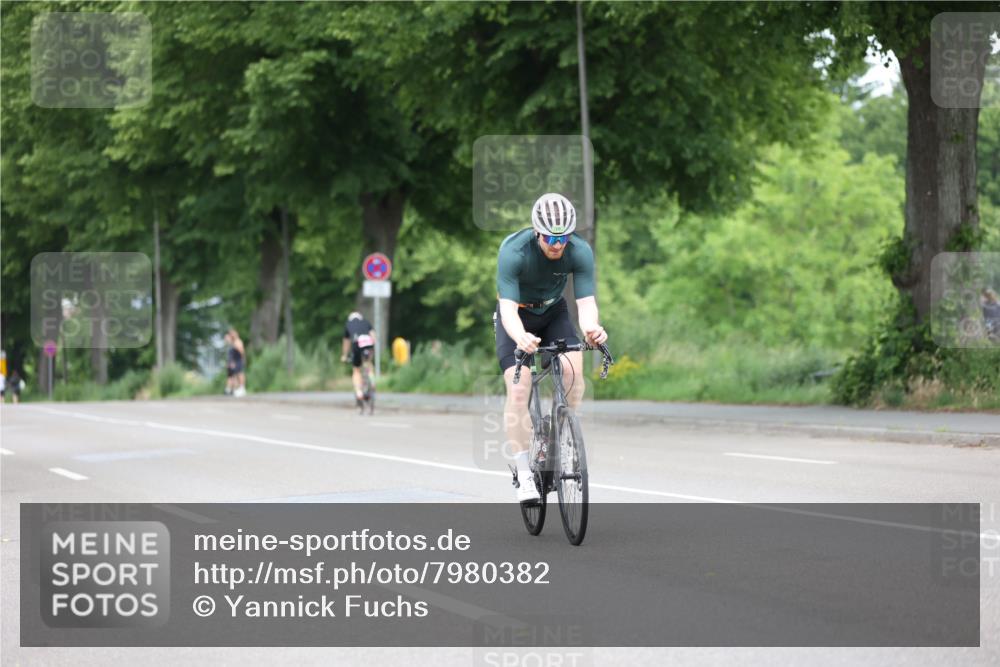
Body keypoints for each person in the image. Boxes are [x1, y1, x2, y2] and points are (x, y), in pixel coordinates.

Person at [495, 193, 608, 503]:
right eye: (550, 237)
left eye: (563, 237)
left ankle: (562, 438)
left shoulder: (579, 251)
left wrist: (591, 328)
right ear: (537, 231)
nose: (557, 244)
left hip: (553, 311)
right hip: (517, 315)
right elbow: (507, 309)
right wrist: (521, 336)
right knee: (519, 388)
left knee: (573, 371)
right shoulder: (513, 251)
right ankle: (524, 474)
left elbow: (586, 302)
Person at [341, 311, 376, 409]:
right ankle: (372, 379)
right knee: (368, 363)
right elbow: (373, 336)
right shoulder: (366, 322)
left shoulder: (348, 324)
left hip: (357, 343)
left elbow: (346, 342)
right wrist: (372, 349)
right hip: (368, 343)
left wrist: (344, 355)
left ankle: (359, 392)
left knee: (356, 370)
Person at [225, 328, 246, 397]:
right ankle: (237, 389)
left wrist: (242, 359)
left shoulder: (237, 342)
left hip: (238, 360)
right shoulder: (233, 342)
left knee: (240, 373)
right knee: (236, 375)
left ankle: (242, 388)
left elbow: (241, 351)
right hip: (235, 361)